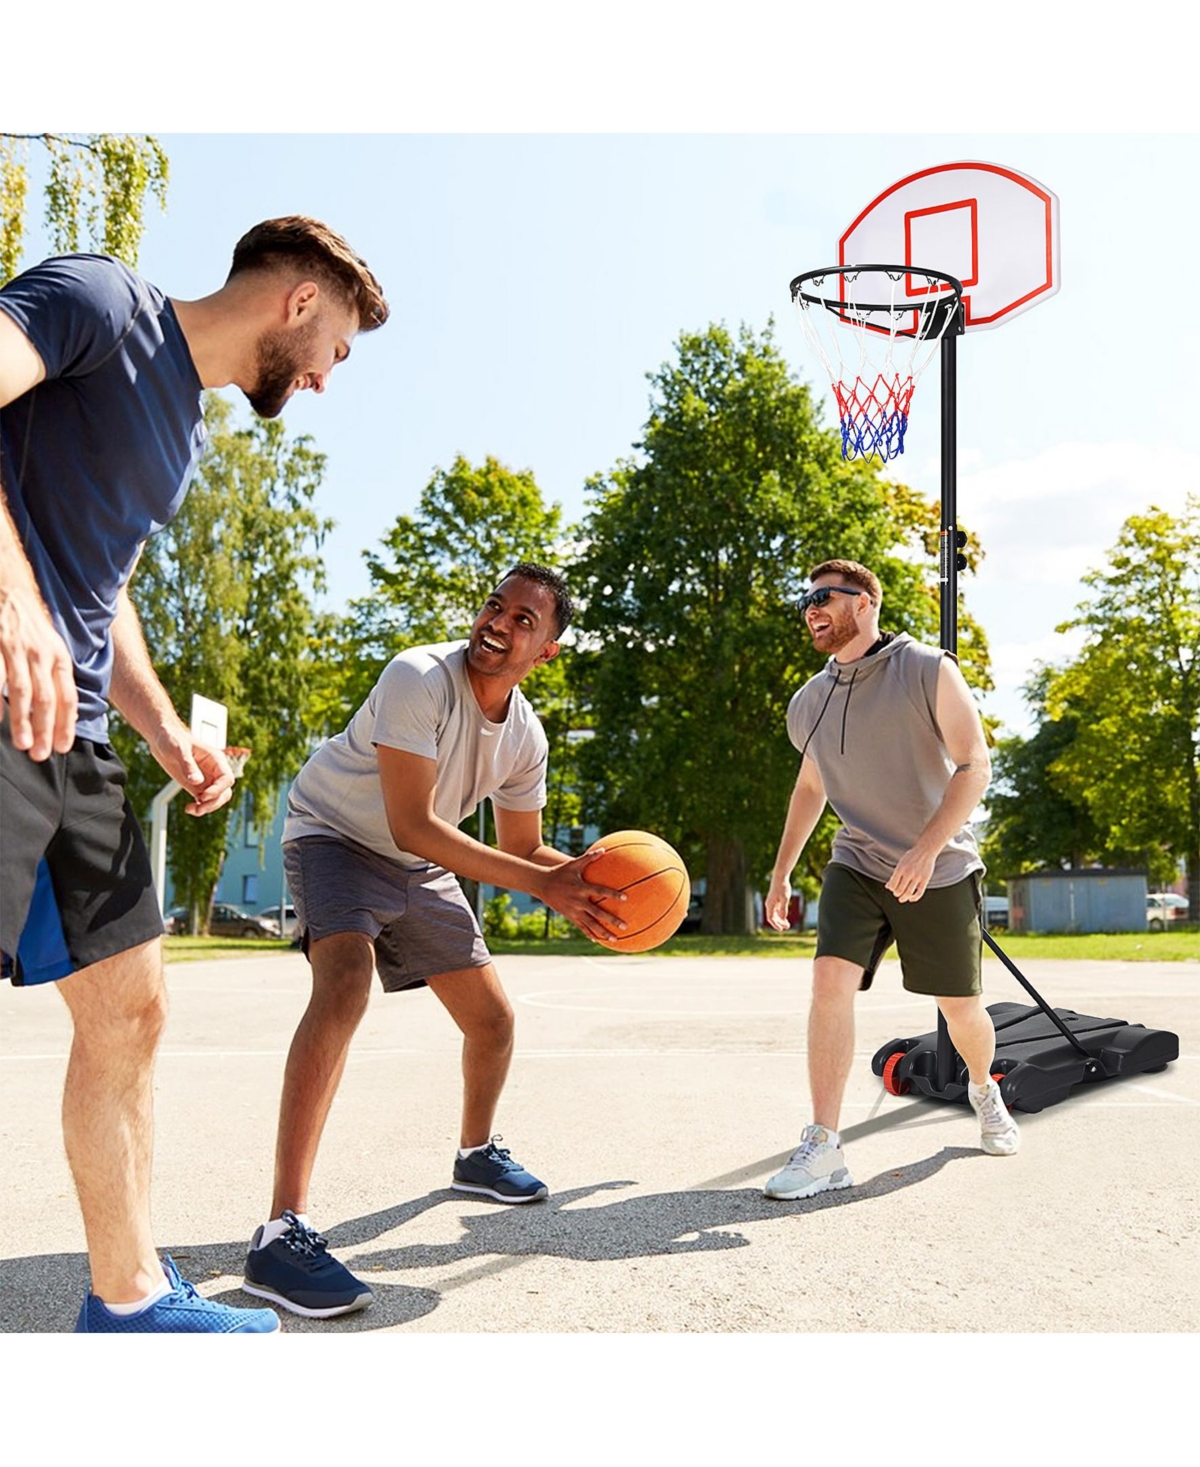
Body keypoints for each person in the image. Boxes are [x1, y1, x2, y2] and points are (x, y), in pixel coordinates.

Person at [0, 216, 389, 1331]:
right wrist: (13, 604)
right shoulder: (99, 302)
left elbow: (99, 580)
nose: (325, 380)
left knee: (131, 1009)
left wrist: (167, 731)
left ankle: (126, 1305)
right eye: (339, 352)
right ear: (301, 301)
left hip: (68, 731)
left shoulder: (176, 423)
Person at [241, 564, 625, 1318]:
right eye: (495, 606)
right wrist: (539, 882)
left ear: (546, 651)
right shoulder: (417, 675)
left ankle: (475, 1155)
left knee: (494, 1021)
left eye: (523, 621)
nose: (499, 623)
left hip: (418, 860)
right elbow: (414, 820)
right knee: (344, 983)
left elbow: (526, 844)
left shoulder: (525, 738)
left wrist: (586, 879)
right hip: (337, 836)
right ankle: (281, 1230)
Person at [762, 558, 1018, 1201]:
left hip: (939, 865)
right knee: (828, 983)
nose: (812, 608)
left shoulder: (928, 669)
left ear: (866, 602)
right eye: (807, 599)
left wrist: (928, 850)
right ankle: (823, 1145)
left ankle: (984, 1090)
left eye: (826, 596)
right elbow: (811, 785)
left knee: (959, 1009)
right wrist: (781, 873)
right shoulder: (809, 701)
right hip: (858, 861)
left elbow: (974, 765)